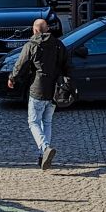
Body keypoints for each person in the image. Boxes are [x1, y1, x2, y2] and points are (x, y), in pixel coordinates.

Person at [8, 18, 69, 170]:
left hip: (38, 89)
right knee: (47, 122)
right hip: (54, 90)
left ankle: (44, 147)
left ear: (34, 30)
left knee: (33, 122)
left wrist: (12, 78)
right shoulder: (58, 45)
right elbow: (67, 65)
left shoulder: (32, 45)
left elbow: (20, 64)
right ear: (47, 29)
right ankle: (43, 157)